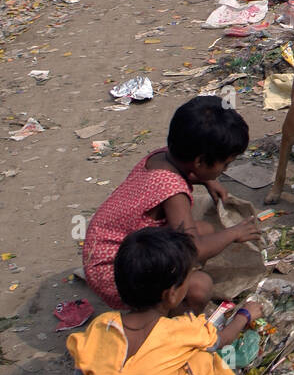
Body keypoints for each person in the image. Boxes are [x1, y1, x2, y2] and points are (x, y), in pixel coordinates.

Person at [57, 228, 252, 375]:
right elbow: (222, 339)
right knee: (204, 359)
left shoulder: (101, 324)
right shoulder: (180, 331)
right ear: (172, 294)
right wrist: (246, 314)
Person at [82, 96, 258, 315]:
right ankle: (169, 322)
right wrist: (234, 233)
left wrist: (207, 179)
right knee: (200, 287)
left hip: (107, 252)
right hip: (115, 275)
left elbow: (186, 168)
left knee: (206, 230)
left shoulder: (161, 157)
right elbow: (194, 250)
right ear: (200, 162)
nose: (225, 171)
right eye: (225, 164)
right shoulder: (172, 191)